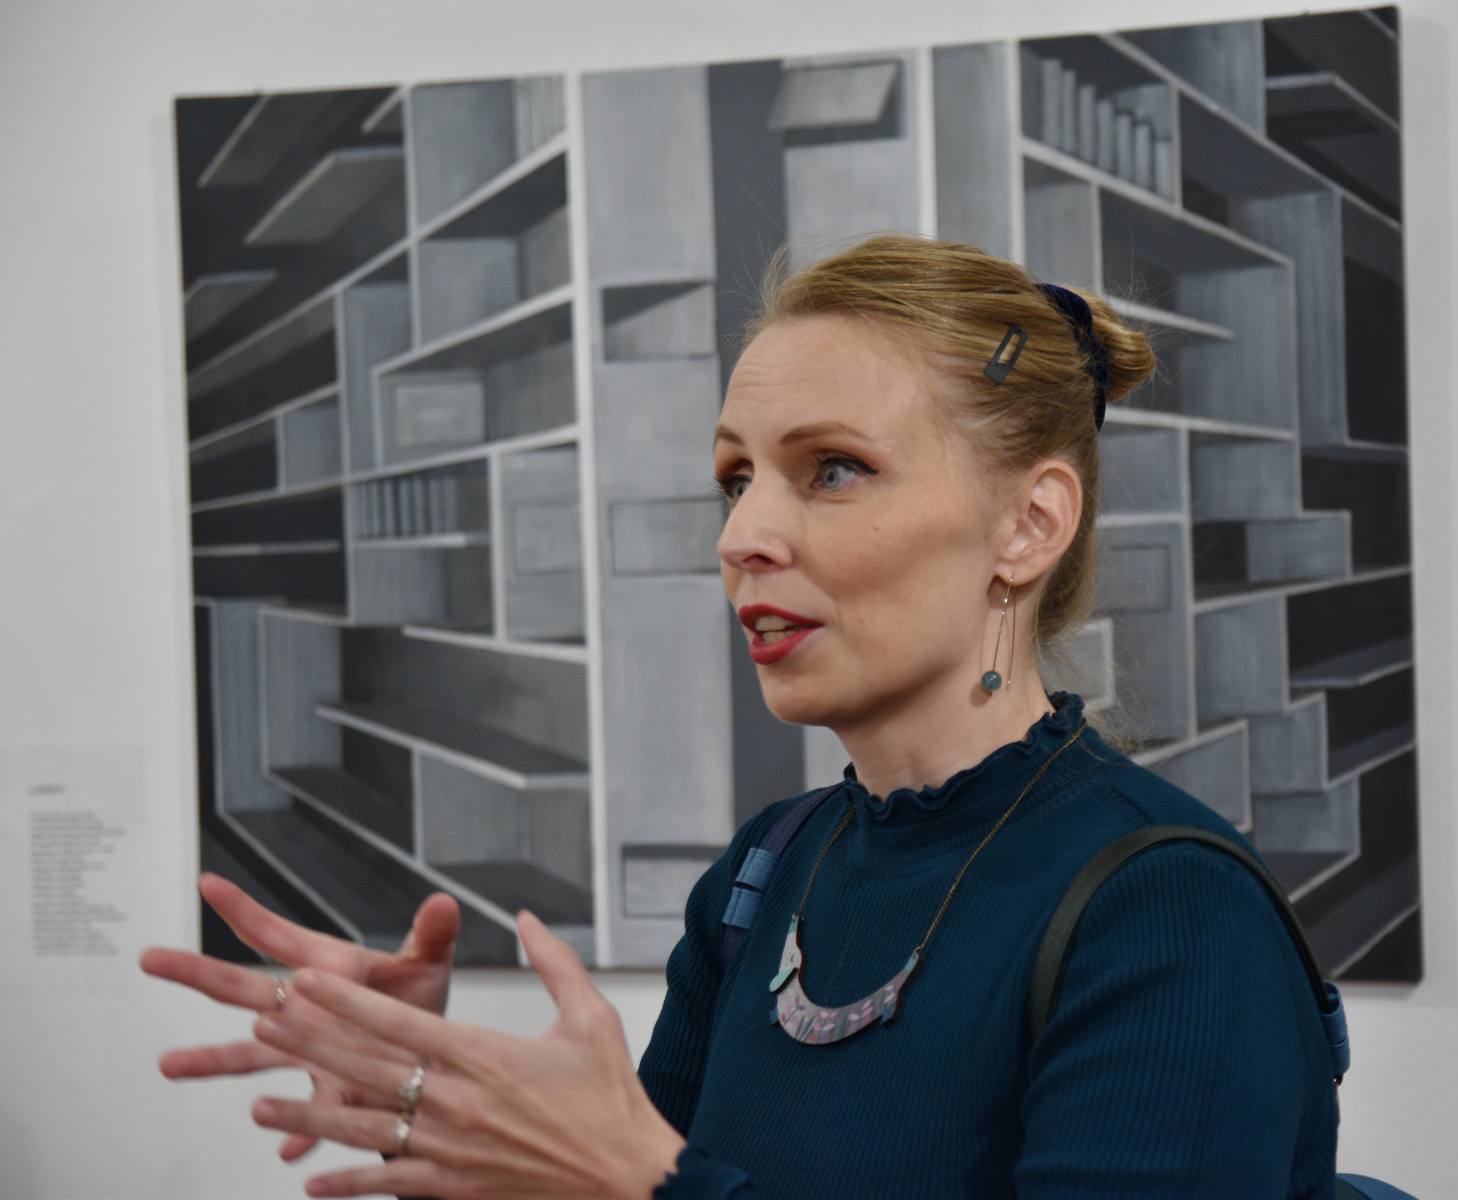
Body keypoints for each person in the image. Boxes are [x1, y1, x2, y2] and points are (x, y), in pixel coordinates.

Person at [141, 231, 1340, 1198]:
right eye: (735, 478)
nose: (743, 537)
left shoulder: (1169, 911)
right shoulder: (766, 872)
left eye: (833, 469)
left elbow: (656, 1186)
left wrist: (644, 1180)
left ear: (1028, 525)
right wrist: (448, 1115)